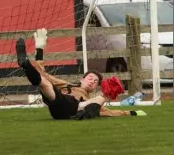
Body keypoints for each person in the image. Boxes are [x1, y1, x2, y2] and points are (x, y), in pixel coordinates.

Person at [15, 28, 147, 120]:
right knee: (44, 83)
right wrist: (40, 49)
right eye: (90, 78)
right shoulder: (67, 85)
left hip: (76, 108)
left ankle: (86, 112)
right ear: (81, 79)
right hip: (59, 106)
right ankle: (25, 62)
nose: (92, 81)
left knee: (99, 99)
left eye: (95, 82)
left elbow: (110, 112)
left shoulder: (91, 99)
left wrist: (133, 112)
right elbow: (42, 74)